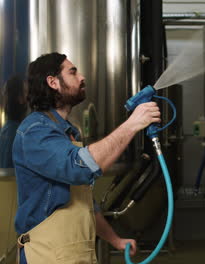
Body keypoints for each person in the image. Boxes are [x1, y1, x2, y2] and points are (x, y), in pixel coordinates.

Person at [13, 52, 161, 263]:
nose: (82, 77)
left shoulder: (69, 133)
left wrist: (115, 240)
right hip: (46, 255)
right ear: (53, 82)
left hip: (74, 253)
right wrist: (132, 124)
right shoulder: (35, 131)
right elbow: (79, 168)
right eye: (73, 72)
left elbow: (83, 203)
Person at [0, 76, 28, 168]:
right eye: (25, 92)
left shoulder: (7, 129)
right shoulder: (16, 133)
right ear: (20, 99)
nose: (28, 97)